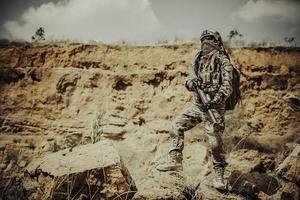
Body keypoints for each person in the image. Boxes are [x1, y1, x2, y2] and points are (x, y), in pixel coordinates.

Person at [156, 30, 234, 190]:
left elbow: (228, 87)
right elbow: (189, 77)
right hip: (198, 106)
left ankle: (219, 175)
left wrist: (215, 99)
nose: (206, 41)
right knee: (176, 125)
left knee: (214, 142)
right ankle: (175, 160)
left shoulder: (223, 61)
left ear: (217, 41)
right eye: (204, 39)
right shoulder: (198, 58)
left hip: (214, 109)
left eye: (210, 39)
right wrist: (191, 83)